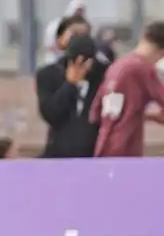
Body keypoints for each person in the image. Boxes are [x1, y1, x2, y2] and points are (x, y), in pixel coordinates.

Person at [92, 20, 164, 157]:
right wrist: (153, 116)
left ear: (143, 37)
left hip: (105, 143)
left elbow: (96, 111)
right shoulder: (144, 69)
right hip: (126, 146)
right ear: (162, 53)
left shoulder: (116, 66)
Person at [36, 29, 107, 158]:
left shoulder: (102, 76)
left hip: (93, 154)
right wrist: (70, 85)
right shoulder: (49, 75)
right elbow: (50, 113)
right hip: (59, 153)